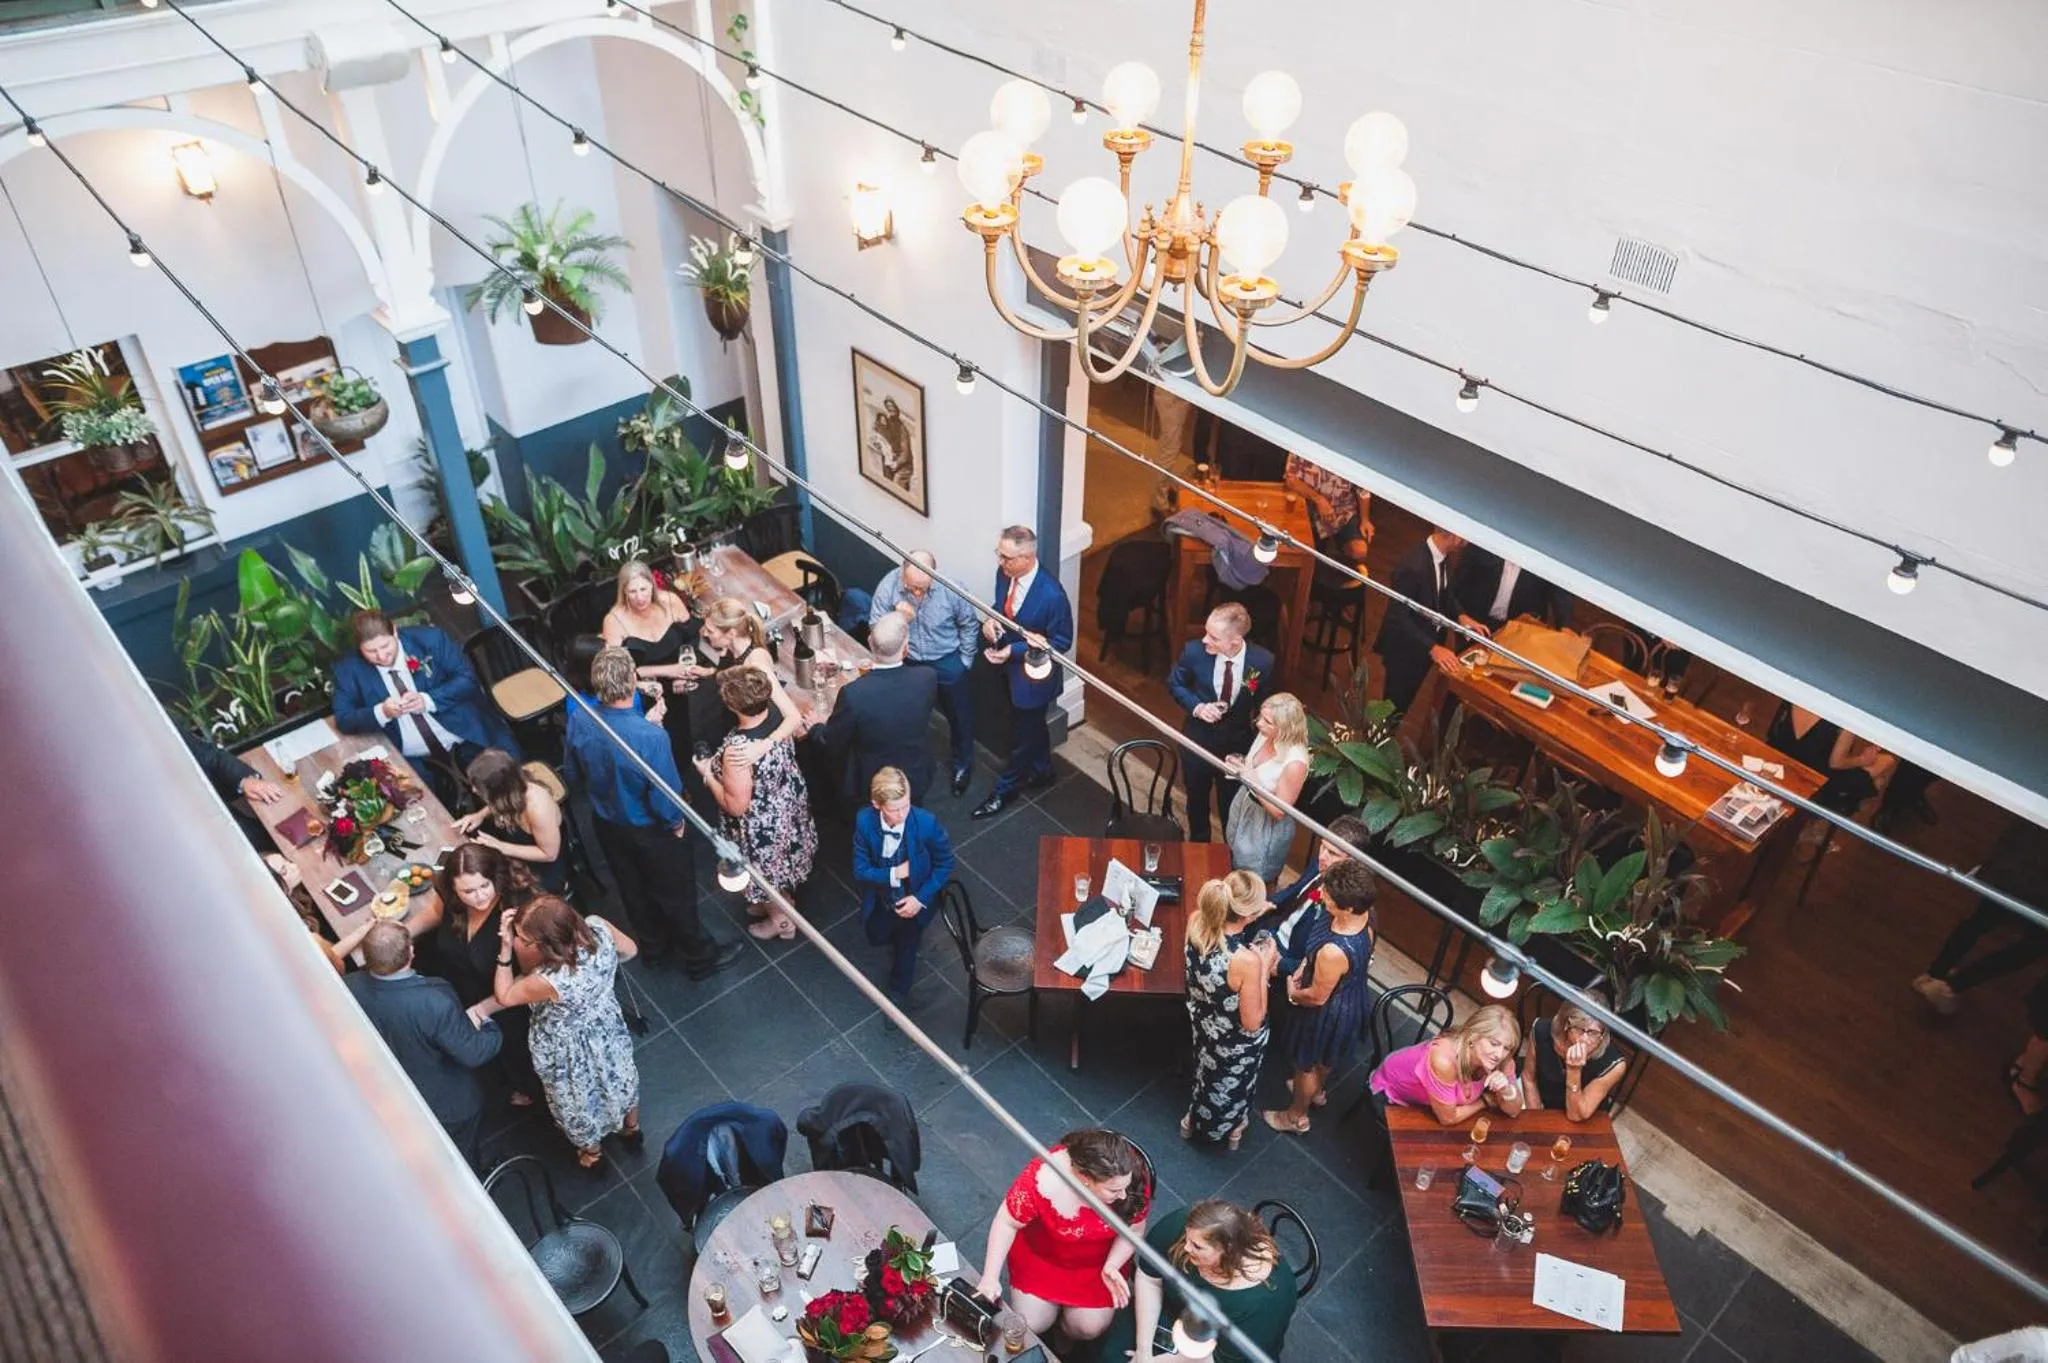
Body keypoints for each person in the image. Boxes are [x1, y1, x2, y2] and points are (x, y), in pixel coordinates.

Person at [565, 647, 741, 979]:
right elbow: (665, 795)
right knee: (676, 893)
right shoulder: (651, 737)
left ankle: (654, 947)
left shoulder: (579, 719)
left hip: (606, 823)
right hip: (651, 830)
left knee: (632, 889)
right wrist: (676, 825)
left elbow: (573, 774)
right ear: (632, 680)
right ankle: (699, 957)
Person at [493, 896, 643, 1171]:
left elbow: (505, 995)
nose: (520, 942)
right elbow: (630, 950)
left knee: (576, 1101)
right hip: (605, 1026)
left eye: (525, 940)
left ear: (547, 944)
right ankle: (631, 1129)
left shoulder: (549, 980)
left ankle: (593, 1154)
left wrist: (504, 951)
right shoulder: (599, 928)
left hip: (567, 1047)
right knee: (620, 1076)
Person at [345, 921, 503, 1168]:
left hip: (390, 1097)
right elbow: (474, 1052)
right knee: (460, 1156)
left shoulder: (350, 986)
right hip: (445, 1102)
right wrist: (490, 1026)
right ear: (411, 953)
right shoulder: (433, 1000)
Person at [979, 1129, 1152, 1345]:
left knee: (1089, 1327)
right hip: (1044, 1257)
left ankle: (1065, 1335)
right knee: (1032, 1323)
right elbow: (1006, 1222)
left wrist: (1113, 1265)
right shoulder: (1041, 1181)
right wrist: (990, 1277)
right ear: (1085, 1179)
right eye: (1114, 1190)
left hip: (1098, 1263)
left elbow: (1133, 1231)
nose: (1124, 1195)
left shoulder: (1131, 1180)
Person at [332, 609, 518, 803]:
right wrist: (381, 712)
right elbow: (344, 719)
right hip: (410, 755)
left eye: (385, 646)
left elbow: (467, 678)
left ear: (395, 632)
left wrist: (428, 699)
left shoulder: (431, 640)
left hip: (460, 730)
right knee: (418, 807)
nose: (381, 656)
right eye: (371, 651)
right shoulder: (349, 669)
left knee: (504, 786)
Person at [696, 665, 818, 941]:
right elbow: (794, 717)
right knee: (783, 860)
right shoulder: (778, 714)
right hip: (787, 802)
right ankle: (784, 897)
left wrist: (707, 775)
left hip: (762, 823)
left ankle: (781, 921)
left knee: (766, 872)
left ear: (733, 706)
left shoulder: (738, 751)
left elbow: (736, 806)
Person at [1104, 1199, 1298, 1363]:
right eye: (1187, 1239)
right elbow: (1150, 1278)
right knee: (1110, 1355)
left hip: (1216, 1353)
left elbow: (1217, 1358)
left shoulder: (1265, 1302)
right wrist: (1143, 1350)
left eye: (1197, 1246)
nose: (1186, 1247)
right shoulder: (1189, 1226)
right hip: (1168, 1311)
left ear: (1228, 1250)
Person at [1263, 860, 1378, 1134]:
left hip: (1327, 1013)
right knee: (1324, 1059)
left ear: (1348, 907)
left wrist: (1292, 991)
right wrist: (1304, 966)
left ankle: (1296, 1116)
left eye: (1328, 895)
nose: (1322, 896)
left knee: (1305, 1063)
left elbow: (1315, 997)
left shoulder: (1334, 951)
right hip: (1351, 998)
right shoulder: (1363, 918)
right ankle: (1315, 1093)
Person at [972, 526, 1074, 819]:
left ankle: (1004, 790)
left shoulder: (1052, 596)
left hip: (1033, 676)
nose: (1001, 563)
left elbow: (1061, 643)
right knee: (1030, 725)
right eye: (1000, 555)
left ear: (1028, 557)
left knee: (1023, 737)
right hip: (1007, 667)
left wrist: (1013, 652)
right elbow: (1001, 608)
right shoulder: (1004, 574)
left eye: (1007, 558)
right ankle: (1042, 771)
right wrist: (990, 621)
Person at [431, 842, 543, 1109]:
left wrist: (483, 1009)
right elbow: (432, 913)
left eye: (485, 886)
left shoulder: (517, 910)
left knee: (521, 1052)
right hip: (469, 988)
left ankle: (534, 1094)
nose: (479, 897)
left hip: (512, 1002)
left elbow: (529, 975)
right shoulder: (451, 898)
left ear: (496, 878)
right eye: (468, 891)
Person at [870, 549, 981, 795]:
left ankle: (963, 765)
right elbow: (876, 630)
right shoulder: (888, 586)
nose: (917, 594)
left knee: (960, 717)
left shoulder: (951, 588)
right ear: (903, 573)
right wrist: (899, 618)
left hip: (946, 659)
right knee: (906, 715)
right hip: (909, 660)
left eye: (923, 588)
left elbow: (969, 624)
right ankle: (907, 767)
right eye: (912, 588)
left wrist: (965, 661)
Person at [1181, 871, 1275, 1150]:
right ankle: (1225, 1128)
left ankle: (1192, 1119)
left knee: (1206, 1073)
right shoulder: (1247, 960)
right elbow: (1253, 1022)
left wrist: (1251, 915)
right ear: (1246, 915)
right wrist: (1265, 968)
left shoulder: (1197, 921)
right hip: (1234, 1041)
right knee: (1229, 1086)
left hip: (1205, 1022)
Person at [1914, 819, 2048, 1014]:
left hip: (2018, 863)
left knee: (1981, 918)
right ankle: (1954, 984)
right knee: (2031, 947)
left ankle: (1935, 972)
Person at [1167, 604, 1275, 843]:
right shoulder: (1194, 652)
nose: (1205, 640)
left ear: (1234, 642)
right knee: (1196, 801)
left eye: (1213, 637)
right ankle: (1199, 845)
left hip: (1236, 745)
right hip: (1198, 739)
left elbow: (1266, 705)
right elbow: (1175, 684)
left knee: (1231, 805)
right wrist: (1198, 707)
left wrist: (1259, 747)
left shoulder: (1262, 662)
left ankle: (1229, 850)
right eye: (1206, 632)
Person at [851, 766, 955, 1006]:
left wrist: (919, 900)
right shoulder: (864, 821)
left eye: (905, 806)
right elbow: (860, 870)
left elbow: (945, 863)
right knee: (877, 934)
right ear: (877, 805)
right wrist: (896, 872)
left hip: (914, 898)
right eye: (894, 810)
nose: (902, 814)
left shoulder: (926, 823)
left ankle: (899, 993)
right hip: (881, 898)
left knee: (906, 949)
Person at [812, 611, 938, 804]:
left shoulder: (854, 694)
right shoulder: (927, 678)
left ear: (870, 642)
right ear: (906, 649)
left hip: (872, 781)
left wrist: (816, 726)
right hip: (916, 773)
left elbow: (830, 740)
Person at [602, 560, 698, 772]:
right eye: (633, 591)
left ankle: (684, 780)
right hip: (642, 693)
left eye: (644, 589)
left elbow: (691, 639)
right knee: (654, 746)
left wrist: (685, 673)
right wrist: (668, 671)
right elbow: (617, 673)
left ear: (653, 586)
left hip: (678, 685)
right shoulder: (614, 621)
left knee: (681, 736)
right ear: (624, 592)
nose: (640, 597)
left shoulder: (671, 601)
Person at [1373, 526, 1482, 713]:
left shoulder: (1443, 557)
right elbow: (1397, 617)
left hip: (1423, 649)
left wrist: (1460, 616)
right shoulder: (1412, 566)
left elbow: (1445, 594)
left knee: (1403, 705)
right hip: (1404, 652)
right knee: (1391, 709)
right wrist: (1432, 648)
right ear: (1455, 536)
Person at [1369, 1003, 1526, 1127]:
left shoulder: (1502, 1061)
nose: (1499, 1054)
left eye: (1506, 1048)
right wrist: (1485, 1101)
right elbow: (1448, 1119)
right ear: (1473, 1036)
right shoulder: (1444, 1060)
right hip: (1391, 1098)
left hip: (1434, 1105)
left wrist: (1507, 1090)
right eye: (1493, 1043)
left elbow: (1514, 1111)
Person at [690, 596, 807, 758]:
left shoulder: (756, 664)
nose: (705, 633)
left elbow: (794, 717)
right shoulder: (735, 647)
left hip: (755, 729)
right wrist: (708, 672)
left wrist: (761, 748)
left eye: (710, 631)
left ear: (731, 633)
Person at [1258, 813, 1372, 975]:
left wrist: (1280, 965)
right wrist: (1269, 903)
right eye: (1322, 846)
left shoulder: (1344, 905)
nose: (1322, 856)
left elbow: (1316, 963)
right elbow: (1298, 890)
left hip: (1289, 961)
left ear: (1351, 862)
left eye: (1333, 853)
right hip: (1273, 930)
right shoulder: (1318, 866)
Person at [1222, 692, 1310, 885]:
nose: (1259, 723)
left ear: (1286, 728)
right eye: (1261, 717)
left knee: (1254, 880)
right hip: (1245, 805)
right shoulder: (1264, 735)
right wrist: (1241, 765)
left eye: (1267, 721)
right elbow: (1254, 769)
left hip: (1265, 825)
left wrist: (1252, 780)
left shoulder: (1295, 762)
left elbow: (1280, 811)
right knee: (1233, 861)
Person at [455, 749, 569, 896]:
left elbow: (549, 854)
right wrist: (479, 815)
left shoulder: (538, 808)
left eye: (478, 787)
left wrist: (501, 847)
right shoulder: (511, 787)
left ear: (498, 789)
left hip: (542, 866)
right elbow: (501, 801)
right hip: (515, 847)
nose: (474, 790)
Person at [1765, 703, 1897, 819]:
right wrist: (1863, 759)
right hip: (1816, 780)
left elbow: (1772, 733)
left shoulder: (1795, 695)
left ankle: (1822, 823)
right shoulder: (1845, 715)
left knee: (1872, 779)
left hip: (1776, 763)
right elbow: (1836, 763)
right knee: (1888, 761)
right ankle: (1826, 821)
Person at [1522, 995, 1628, 1121]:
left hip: (1583, 1118)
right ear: (1565, 1025)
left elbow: (1576, 1115)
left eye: (1593, 1032)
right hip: (1543, 1105)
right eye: (1579, 1029)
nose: (1585, 1039)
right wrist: (1538, 1119)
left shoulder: (1613, 1064)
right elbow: (1529, 1079)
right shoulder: (1542, 1031)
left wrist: (1574, 1071)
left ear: (1603, 1033)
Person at [1452, 544, 1569, 632]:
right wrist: (1460, 615)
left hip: (1520, 631)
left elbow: (1560, 593)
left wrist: (1564, 626)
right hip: (1476, 623)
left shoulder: (1546, 558)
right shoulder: (1483, 545)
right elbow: (1453, 587)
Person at [1283, 451, 1371, 566]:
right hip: (1307, 507)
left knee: (1359, 551)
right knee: (1307, 556)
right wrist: (1319, 500)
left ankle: (1336, 561)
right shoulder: (1302, 445)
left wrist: (1365, 520)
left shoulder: (1354, 452)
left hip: (1343, 508)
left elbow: (1363, 491)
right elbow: (1291, 480)